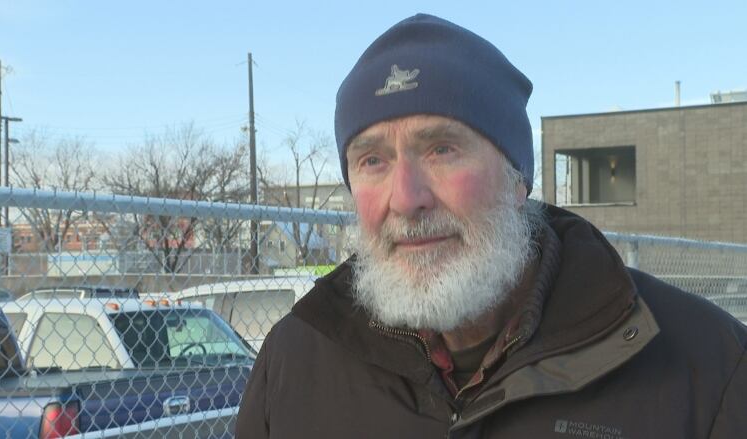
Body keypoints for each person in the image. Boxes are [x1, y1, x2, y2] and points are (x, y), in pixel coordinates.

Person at [236, 14, 746, 439]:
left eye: (441, 149)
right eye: (372, 160)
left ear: (517, 178)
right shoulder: (295, 360)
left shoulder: (709, 368)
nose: (406, 198)